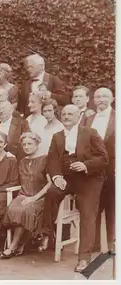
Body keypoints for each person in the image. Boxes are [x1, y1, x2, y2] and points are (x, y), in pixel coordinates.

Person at [40, 105, 108, 272]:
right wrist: (57, 177)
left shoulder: (90, 133)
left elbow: (103, 158)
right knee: (52, 193)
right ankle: (48, 234)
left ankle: (84, 258)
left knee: (87, 214)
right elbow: (52, 161)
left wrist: (85, 165)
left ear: (79, 116)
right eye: (63, 114)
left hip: (89, 179)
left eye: (70, 113)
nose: (66, 116)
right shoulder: (57, 136)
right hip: (67, 178)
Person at [0, 132, 51, 259]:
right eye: (24, 144)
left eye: (30, 144)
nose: (27, 147)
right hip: (23, 195)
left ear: (37, 144)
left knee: (25, 210)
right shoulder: (22, 161)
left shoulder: (45, 159)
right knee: (13, 209)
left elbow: (50, 183)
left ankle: (13, 246)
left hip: (39, 197)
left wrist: (34, 198)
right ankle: (22, 243)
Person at [85, 88, 115, 253]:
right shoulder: (88, 119)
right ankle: (94, 244)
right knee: (93, 206)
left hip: (112, 169)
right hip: (92, 169)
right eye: (97, 96)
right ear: (93, 99)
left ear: (112, 99)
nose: (101, 99)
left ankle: (112, 245)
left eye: (104, 96)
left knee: (112, 207)